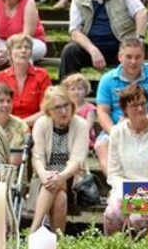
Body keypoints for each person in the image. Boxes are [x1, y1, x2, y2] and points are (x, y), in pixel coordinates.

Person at [101, 84, 148, 235]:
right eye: (134, 105)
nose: (140, 109)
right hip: (124, 188)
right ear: (125, 109)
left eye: (143, 104)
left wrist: (139, 199)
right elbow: (114, 173)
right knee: (112, 215)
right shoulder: (117, 132)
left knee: (138, 219)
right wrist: (126, 197)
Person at [58, 0, 148, 79]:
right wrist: (92, 50)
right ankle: (67, 92)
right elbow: (75, 32)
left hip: (120, 44)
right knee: (70, 51)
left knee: (131, 53)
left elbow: (141, 12)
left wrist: (139, 39)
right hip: (92, 47)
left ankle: (132, 92)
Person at [30, 86, 90, 233]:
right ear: (49, 110)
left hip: (71, 177)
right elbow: (37, 156)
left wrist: (61, 176)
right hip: (44, 178)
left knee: (57, 185)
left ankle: (34, 230)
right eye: (58, 107)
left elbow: (77, 160)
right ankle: (58, 243)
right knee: (59, 197)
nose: (64, 111)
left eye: (66, 105)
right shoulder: (42, 123)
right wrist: (44, 174)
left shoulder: (81, 125)